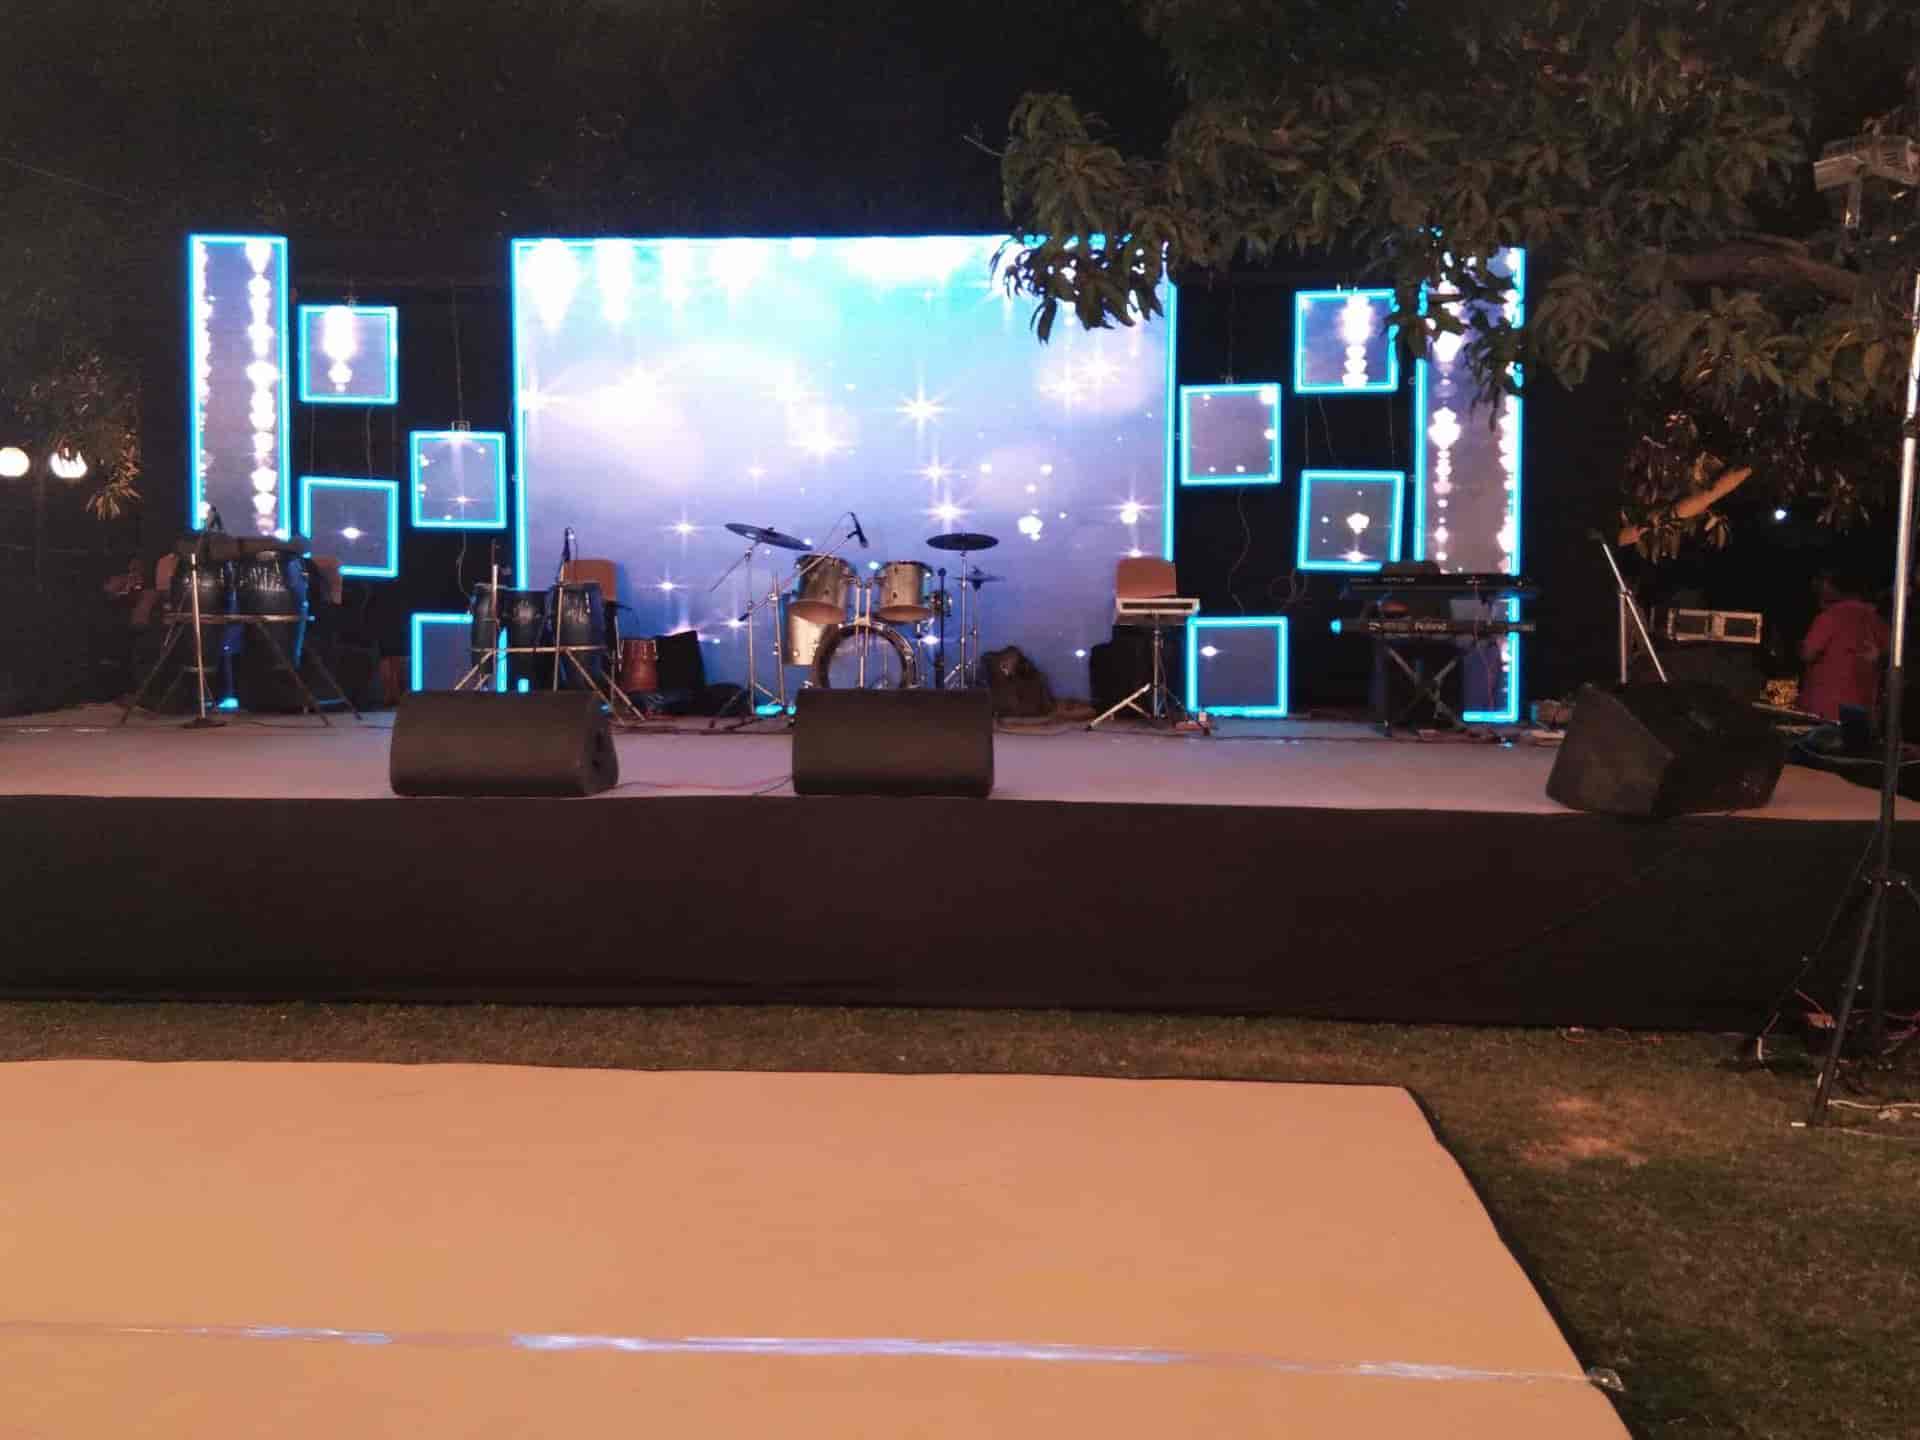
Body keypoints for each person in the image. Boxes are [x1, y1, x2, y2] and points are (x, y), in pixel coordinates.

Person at [1800, 571, 1889, 722]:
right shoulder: (1878, 620)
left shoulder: (1830, 616)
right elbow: (1890, 656)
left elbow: (1808, 654)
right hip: (1864, 711)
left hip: (1826, 711)